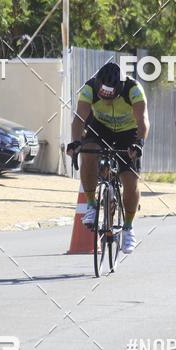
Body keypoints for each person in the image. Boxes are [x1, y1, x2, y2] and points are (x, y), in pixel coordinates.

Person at [66, 60, 149, 254]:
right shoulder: (89, 88)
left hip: (128, 133)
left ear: (119, 89)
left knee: (130, 181)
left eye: (111, 98)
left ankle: (128, 228)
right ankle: (92, 205)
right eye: (103, 97)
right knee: (87, 153)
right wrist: (76, 141)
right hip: (99, 128)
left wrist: (139, 143)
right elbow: (79, 118)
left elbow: (142, 120)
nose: (106, 101)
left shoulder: (134, 89)